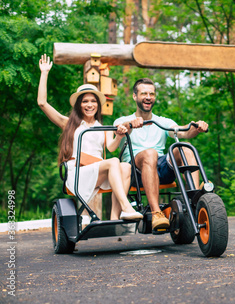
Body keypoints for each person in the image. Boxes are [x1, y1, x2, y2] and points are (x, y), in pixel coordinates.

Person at [37, 54, 142, 221]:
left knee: (126, 167)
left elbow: (112, 148)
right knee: (114, 162)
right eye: (85, 101)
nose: (89, 105)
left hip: (99, 173)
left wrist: (120, 135)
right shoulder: (69, 124)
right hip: (78, 174)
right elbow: (42, 103)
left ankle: (116, 218)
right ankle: (126, 207)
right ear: (79, 104)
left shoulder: (103, 127)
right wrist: (44, 73)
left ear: (98, 105)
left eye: (93, 101)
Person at [113, 78, 208, 231]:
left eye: (152, 94)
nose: (148, 97)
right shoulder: (123, 120)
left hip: (160, 168)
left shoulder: (162, 121)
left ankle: (195, 200)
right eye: (144, 93)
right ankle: (156, 212)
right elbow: (122, 128)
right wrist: (130, 124)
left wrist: (195, 127)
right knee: (150, 154)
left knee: (185, 148)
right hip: (135, 174)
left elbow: (183, 132)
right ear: (135, 96)